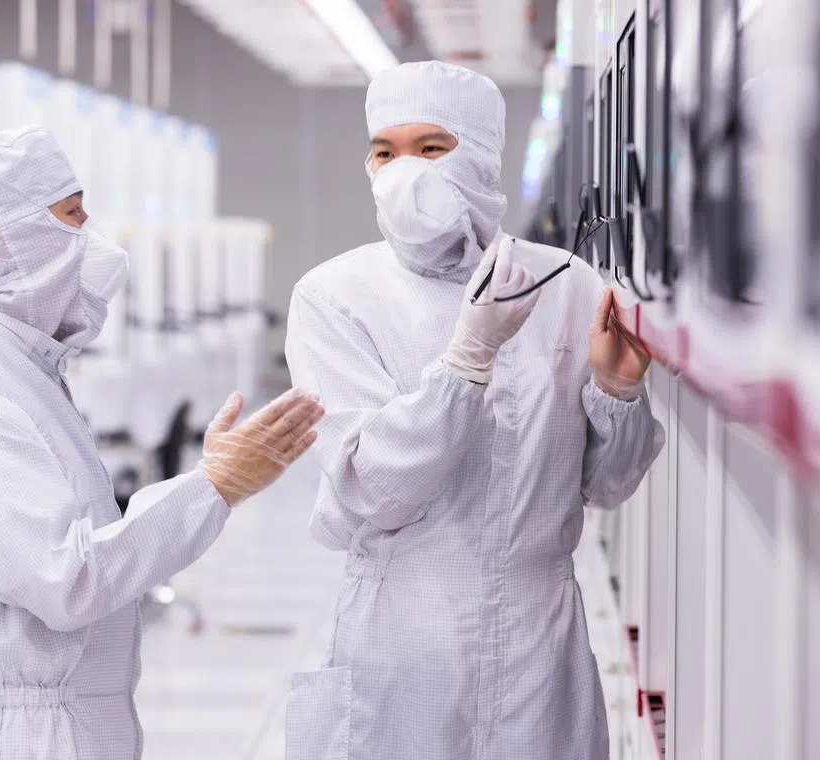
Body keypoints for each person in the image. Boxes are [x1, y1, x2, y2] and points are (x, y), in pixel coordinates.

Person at [0, 125, 324, 759]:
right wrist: (215, 486)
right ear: (1, 238)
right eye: (71, 214)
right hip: (19, 740)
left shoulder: (11, 362)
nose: (92, 235)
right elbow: (67, 580)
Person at [282, 61, 664, 760]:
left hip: (539, 641)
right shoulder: (334, 296)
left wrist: (618, 393)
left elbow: (607, 486)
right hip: (404, 638)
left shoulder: (566, 283)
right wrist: (465, 365)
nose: (405, 171)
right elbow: (368, 486)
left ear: (482, 156)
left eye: (432, 149)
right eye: (384, 153)